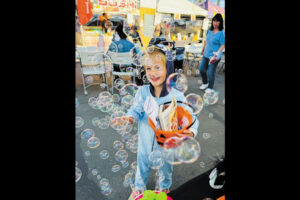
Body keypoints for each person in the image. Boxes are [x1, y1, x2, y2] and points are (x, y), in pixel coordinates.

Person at [112, 44, 199, 199]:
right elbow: (135, 110)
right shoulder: (143, 92)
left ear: (168, 69)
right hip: (145, 144)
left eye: (157, 67)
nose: (152, 73)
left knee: (166, 169)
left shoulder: (177, 96)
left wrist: (191, 131)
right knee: (142, 168)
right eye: (148, 68)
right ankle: (139, 189)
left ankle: (165, 188)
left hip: (167, 147)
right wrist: (129, 118)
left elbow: (191, 118)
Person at [199, 13, 225, 93]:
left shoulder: (221, 33)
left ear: (220, 22)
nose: (215, 23)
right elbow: (206, 41)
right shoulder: (209, 31)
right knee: (202, 70)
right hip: (206, 54)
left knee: (211, 72)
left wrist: (218, 52)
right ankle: (205, 83)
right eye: (214, 21)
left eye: (217, 21)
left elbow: (223, 44)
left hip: (214, 56)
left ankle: (210, 87)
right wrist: (203, 50)